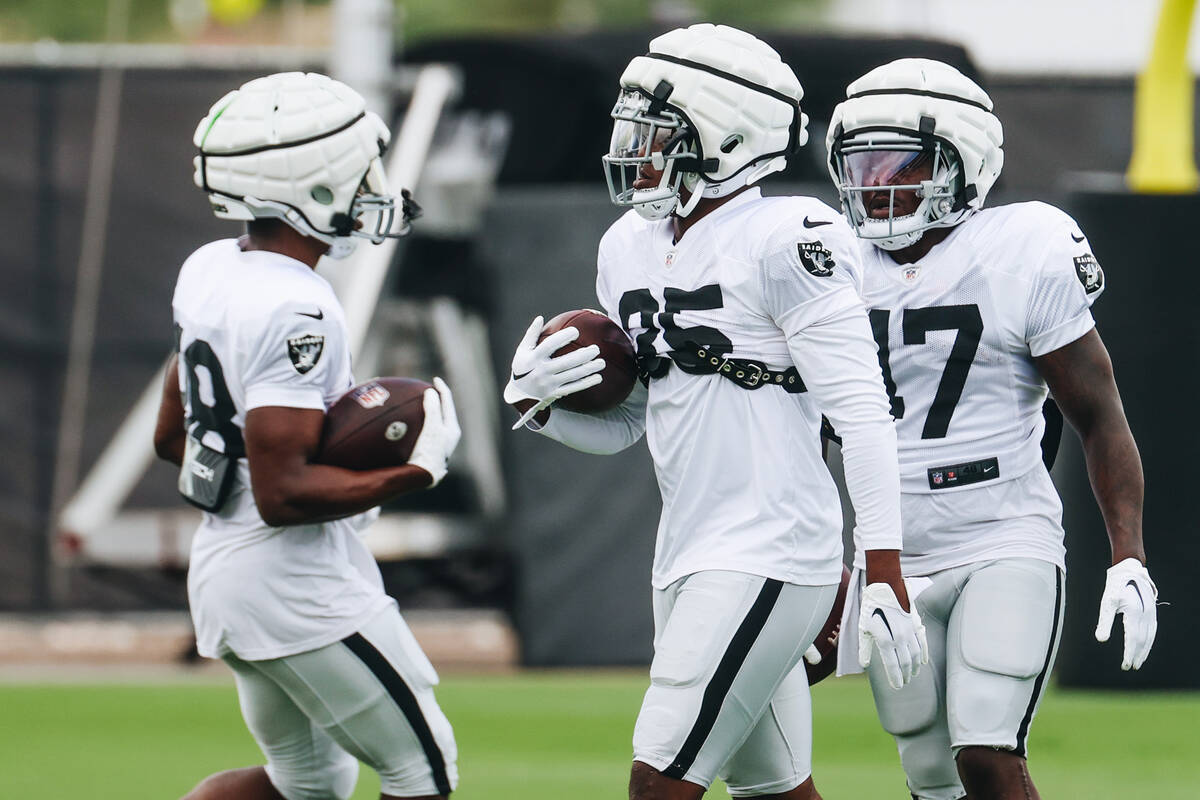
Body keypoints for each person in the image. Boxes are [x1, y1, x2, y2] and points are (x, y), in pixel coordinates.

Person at [504, 24, 927, 800]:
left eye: (657, 132)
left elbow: (863, 413)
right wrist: (540, 405)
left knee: (658, 779)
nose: (636, 148)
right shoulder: (624, 246)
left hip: (772, 550)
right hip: (687, 550)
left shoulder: (787, 235)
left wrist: (884, 569)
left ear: (728, 137)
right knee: (775, 789)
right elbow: (634, 421)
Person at [824, 58, 1159, 800]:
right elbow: (815, 427)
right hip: (893, 547)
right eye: (861, 163)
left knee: (987, 750)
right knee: (926, 768)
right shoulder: (834, 264)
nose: (876, 183)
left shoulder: (1023, 248)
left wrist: (1128, 556)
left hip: (1001, 531)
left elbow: (1100, 417)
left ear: (965, 161)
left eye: (898, 163)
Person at [153, 72, 462, 800]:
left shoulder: (211, 269)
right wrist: (413, 471)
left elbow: (175, 436)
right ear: (309, 185)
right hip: (292, 581)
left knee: (309, 783)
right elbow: (283, 494)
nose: (372, 187)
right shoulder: (296, 305)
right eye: (357, 171)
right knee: (423, 769)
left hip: (228, 570)